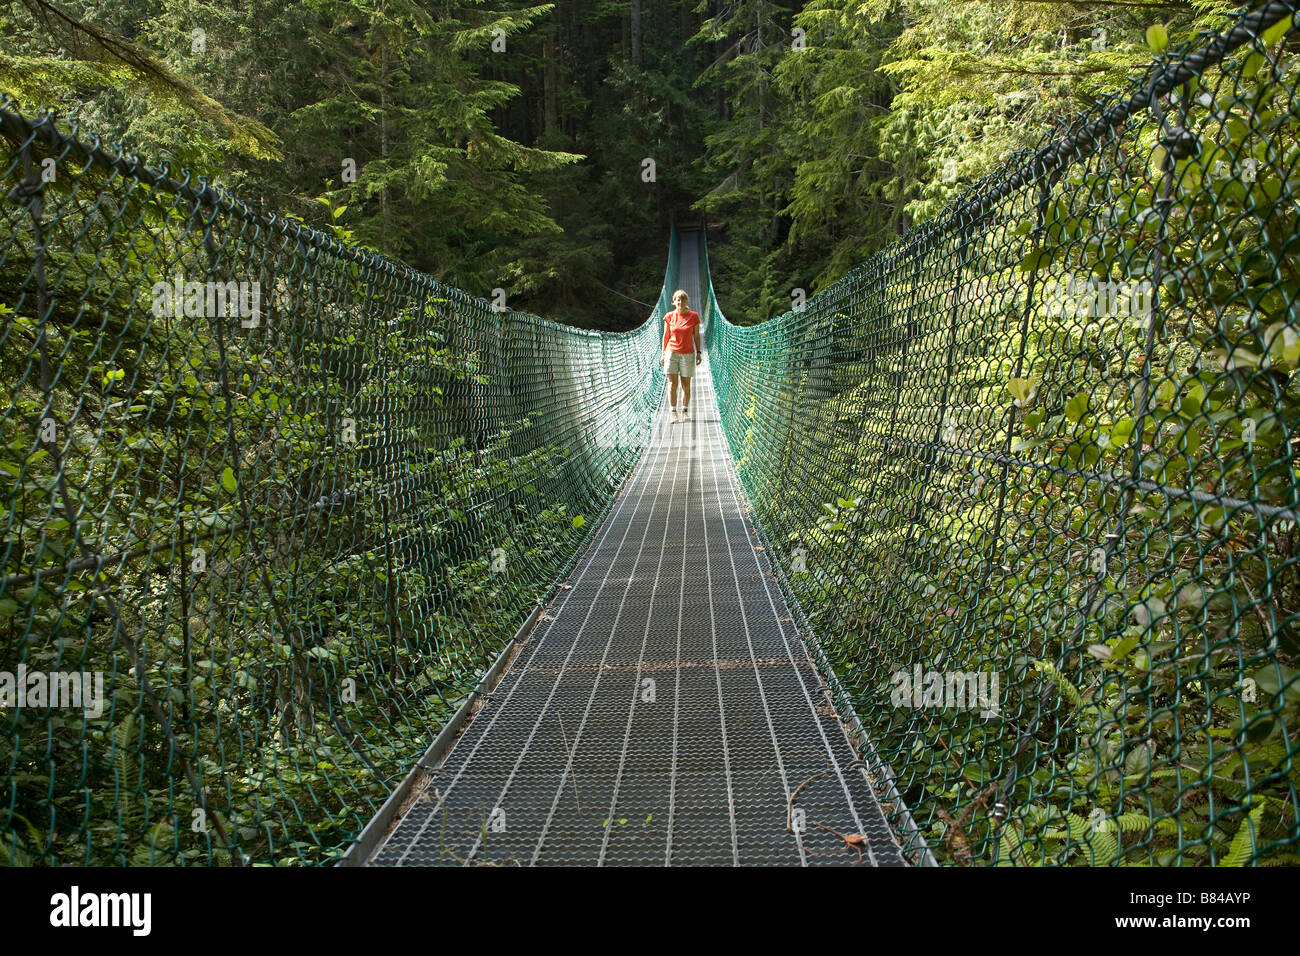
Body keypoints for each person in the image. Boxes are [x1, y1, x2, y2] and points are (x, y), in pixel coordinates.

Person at [660, 289, 701, 423]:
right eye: (678, 300)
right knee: (672, 384)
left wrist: (699, 352)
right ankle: (672, 412)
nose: (680, 302)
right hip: (671, 352)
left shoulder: (693, 316)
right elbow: (666, 336)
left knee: (685, 384)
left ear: (686, 302)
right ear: (674, 301)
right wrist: (663, 354)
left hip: (688, 354)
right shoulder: (669, 316)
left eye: (682, 300)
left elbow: (696, 335)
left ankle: (684, 411)